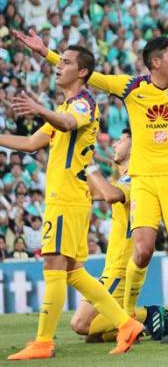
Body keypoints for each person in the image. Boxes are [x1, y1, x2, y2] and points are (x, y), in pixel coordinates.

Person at [13, 3, 168, 343]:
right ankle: (128, 317)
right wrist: (47, 54)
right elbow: (88, 75)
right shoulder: (131, 87)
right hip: (143, 180)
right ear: (156, 62)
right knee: (142, 249)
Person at [0, 45, 143, 360]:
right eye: (59, 60)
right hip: (68, 199)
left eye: (65, 62)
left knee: (53, 264)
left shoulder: (82, 105)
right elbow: (29, 143)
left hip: (66, 198)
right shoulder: (66, 107)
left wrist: (39, 108)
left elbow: (66, 123)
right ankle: (126, 324)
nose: (58, 66)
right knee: (73, 271)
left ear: (81, 73)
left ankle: (43, 342)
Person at [70, 129, 168, 342]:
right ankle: (135, 325)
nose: (114, 144)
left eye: (121, 140)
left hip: (120, 269)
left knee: (82, 325)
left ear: (134, 147)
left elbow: (109, 195)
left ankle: (148, 315)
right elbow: (96, 192)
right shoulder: (123, 178)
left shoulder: (137, 180)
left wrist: (89, 164)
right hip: (110, 267)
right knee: (95, 336)